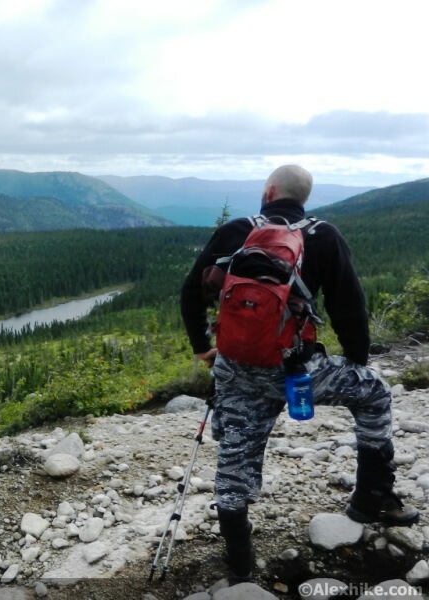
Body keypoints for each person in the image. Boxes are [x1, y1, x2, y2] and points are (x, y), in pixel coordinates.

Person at [179, 165, 420, 583]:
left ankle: (238, 560)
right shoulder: (323, 235)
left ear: (268, 192)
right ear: (303, 197)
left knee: (236, 458)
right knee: (376, 393)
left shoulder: (237, 228)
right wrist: (358, 365)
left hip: (236, 370)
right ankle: (373, 497)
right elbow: (349, 308)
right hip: (298, 370)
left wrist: (204, 349)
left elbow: (191, 291)